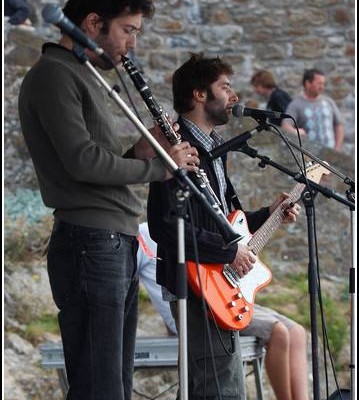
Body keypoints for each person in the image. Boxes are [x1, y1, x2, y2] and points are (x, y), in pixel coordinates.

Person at [17, 1, 200, 399]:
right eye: (127, 30)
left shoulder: (81, 75)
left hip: (112, 241)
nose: (131, 44)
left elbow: (101, 165)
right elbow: (83, 162)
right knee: (99, 387)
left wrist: (141, 153)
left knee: (116, 382)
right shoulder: (55, 74)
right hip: (90, 242)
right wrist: (161, 170)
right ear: (93, 23)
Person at [147, 52, 301, 399]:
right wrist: (228, 251)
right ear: (199, 94)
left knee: (224, 386)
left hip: (215, 281)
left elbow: (228, 223)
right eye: (226, 87)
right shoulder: (177, 145)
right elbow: (166, 225)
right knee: (219, 389)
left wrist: (270, 212)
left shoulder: (215, 147)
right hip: (196, 284)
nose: (234, 97)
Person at [137, 221, 309, 400]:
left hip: (223, 294)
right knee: (279, 332)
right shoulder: (149, 232)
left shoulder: (203, 223)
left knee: (297, 332)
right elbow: (129, 277)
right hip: (197, 307)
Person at [281, 68, 345, 151]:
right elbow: (285, 126)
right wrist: (296, 132)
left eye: (323, 84)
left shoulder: (328, 102)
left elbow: (339, 125)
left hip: (331, 155)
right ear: (307, 83)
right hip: (310, 157)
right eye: (319, 83)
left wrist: (337, 147)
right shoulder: (295, 104)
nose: (322, 87)